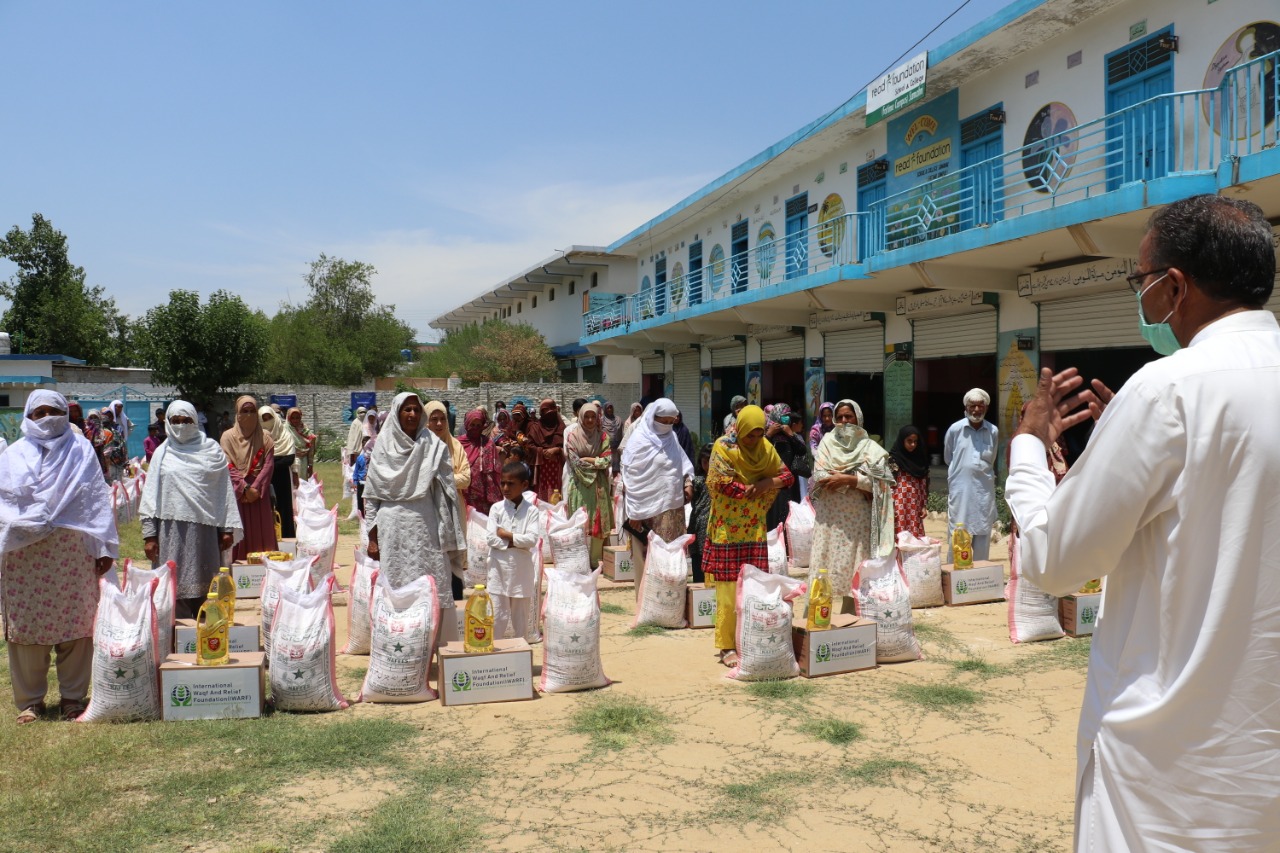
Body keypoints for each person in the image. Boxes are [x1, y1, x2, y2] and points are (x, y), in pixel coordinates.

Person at [1007, 195, 1280, 850]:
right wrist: (1116, 457)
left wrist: (1027, 446)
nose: (1140, 295)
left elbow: (1054, 559)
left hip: (1167, 783)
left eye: (1140, 281)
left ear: (1174, 287)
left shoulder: (1168, 389)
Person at [0, 390, 117, 723]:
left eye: (54, 411)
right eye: (39, 413)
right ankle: (30, 702)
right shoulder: (12, 455)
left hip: (71, 553)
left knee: (76, 625)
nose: (47, 418)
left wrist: (103, 547)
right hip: (24, 556)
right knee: (27, 630)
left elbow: (94, 501)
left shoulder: (80, 451)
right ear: (28, 416)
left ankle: (72, 699)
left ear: (66, 414)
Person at [704, 405, 793, 666]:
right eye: (749, 436)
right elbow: (720, 483)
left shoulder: (766, 448)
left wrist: (766, 483)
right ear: (740, 428)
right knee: (728, 590)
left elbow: (786, 476)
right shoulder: (724, 446)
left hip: (753, 527)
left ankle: (748, 638)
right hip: (727, 529)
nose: (754, 441)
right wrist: (751, 488)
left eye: (758, 434)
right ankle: (726, 645)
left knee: (752, 586)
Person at [364, 392, 465, 615]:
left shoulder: (433, 445)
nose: (412, 414)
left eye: (416, 410)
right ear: (396, 412)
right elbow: (371, 495)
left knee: (429, 580)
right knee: (397, 582)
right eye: (407, 409)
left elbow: (447, 488)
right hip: (393, 529)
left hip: (426, 526)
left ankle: (430, 634)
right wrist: (372, 538)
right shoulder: (383, 446)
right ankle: (399, 634)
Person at [140, 401, 241, 618]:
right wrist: (150, 535)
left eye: (186, 421)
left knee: (208, 584)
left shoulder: (212, 451)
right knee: (174, 584)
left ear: (195, 422)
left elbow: (223, 491)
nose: (181, 426)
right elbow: (150, 497)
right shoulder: (161, 454)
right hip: (170, 531)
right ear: (167, 423)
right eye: (175, 421)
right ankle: (176, 634)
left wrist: (226, 528)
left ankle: (209, 632)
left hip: (206, 531)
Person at [807, 400, 895, 612]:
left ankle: (851, 617)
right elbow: (819, 474)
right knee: (823, 565)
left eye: (849, 417)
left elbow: (882, 482)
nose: (844, 421)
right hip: (830, 518)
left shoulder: (870, 448)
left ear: (859, 419)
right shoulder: (827, 442)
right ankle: (817, 618)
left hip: (858, 520)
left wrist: (848, 480)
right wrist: (859, 481)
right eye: (840, 418)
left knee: (855, 568)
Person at [621, 398, 693, 598]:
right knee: (646, 559)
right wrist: (634, 512)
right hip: (644, 513)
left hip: (671, 509)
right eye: (664, 421)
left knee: (669, 558)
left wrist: (688, 483)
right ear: (653, 418)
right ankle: (647, 603)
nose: (668, 426)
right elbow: (631, 479)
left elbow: (683, 464)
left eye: (672, 422)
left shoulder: (673, 439)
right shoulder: (639, 441)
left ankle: (670, 603)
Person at [485, 461, 543, 643]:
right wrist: (516, 541)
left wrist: (506, 535)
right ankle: (494, 658)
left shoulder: (532, 511)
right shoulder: (496, 509)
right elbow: (491, 538)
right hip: (498, 570)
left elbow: (532, 539)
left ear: (524, 485)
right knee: (497, 616)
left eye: (511, 484)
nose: (505, 488)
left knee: (520, 619)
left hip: (520, 570)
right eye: (502, 483)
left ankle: (520, 658)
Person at [943, 388, 998, 561]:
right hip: (961, 490)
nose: (976, 410)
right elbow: (948, 457)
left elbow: (993, 458)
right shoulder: (955, 429)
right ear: (966, 407)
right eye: (972, 405)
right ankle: (955, 576)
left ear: (986, 408)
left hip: (983, 491)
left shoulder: (993, 431)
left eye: (980, 406)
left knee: (982, 533)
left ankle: (980, 576)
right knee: (959, 531)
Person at [221, 395, 276, 561]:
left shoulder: (265, 437)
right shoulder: (228, 437)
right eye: (245, 411)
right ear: (237, 414)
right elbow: (227, 465)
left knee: (262, 531)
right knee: (240, 531)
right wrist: (245, 488)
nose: (249, 415)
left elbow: (268, 465)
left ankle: (264, 573)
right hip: (238, 493)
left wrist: (255, 488)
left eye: (252, 411)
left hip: (259, 493)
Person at [425, 399, 472, 599]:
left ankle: (456, 605)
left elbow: (466, 478)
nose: (438, 424)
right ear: (425, 422)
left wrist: (440, 478)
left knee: (453, 558)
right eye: (433, 419)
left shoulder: (455, 446)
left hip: (453, 510)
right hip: (428, 510)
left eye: (442, 419)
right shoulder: (420, 446)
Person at [564, 401, 613, 567]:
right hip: (579, 485)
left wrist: (588, 459)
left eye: (593, 416)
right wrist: (596, 463)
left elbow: (607, 460)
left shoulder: (603, 437)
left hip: (598, 487)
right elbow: (574, 461)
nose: (590, 420)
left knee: (598, 522)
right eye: (587, 416)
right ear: (580, 417)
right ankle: (579, 559)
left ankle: (594, 560)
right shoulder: (573, 436)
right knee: (580, 522)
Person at [764, 403, 811, 531]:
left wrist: (790, 434)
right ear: (775, 416)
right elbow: (760, 452)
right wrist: (769, 434)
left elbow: (802, 451)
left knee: (789, 515)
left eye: (787, 417)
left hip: (790, 482)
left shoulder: (790, 434)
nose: (785, 419)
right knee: (773, 516)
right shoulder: (767, 433)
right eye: (783, 416)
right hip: (771, 482)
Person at [259, 406, 296, 539]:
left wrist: (268, 464)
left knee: (284, 506)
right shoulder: (257, 437)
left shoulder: (285, 435)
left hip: (282, 477)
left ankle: (286, 535)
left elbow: (289, 459)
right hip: (263, 478)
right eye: (264, 419)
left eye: (269, 418)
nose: (267, 421)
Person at [888, 425, 930, 540]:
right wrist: (890, 505)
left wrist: (923, 505)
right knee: (899, 534)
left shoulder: (920, 461)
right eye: (909, 441)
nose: (913, 445)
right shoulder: (893, 459)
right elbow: (888, 484)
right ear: (902, 440)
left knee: (914, 535)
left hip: (915, 504)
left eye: (915, 442)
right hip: (898, 503)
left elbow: (924, 484)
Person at [459, 408, 502, 516]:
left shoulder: (488, 444)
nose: (475, 428)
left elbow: (495, 471)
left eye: (479, 425)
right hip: (462, 492)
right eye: (472, 425)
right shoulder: (457, 443)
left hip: (483, 494)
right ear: (467, 424)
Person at [526, 398, 565, 503]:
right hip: (541, 468)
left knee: (558, 495)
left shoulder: (561, 427)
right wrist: (542, 452)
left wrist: (556, 449)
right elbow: (529, 445)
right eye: (545, 411)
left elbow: (568, 446)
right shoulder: (535, 428)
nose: (549, 414)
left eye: (551, 411)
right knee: (542, 497)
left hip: (558, 467)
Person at [687, 443, 713, 584]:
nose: (708, 466)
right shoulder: (697, 481)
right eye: (705, 462)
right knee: (697, 558)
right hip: (698, 524)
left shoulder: (723, 482)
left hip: (713, 525)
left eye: (711, 462)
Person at [286, 407, 317, 483]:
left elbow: (311, 446)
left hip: (304, 461)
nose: (295, 420)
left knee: (303, 485)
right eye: (293, 418)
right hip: (291, 461)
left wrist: (310, 465)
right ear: (289, 418)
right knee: (292, 485)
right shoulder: (285, 430)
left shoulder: (304, 429)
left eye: (297, 418)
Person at [99, 407, 128, 482]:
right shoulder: (96, 433)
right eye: (104, 415)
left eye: (109, 415)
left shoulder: (116, 432)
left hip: (117, 463)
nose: (107, 417)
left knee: (116, 485)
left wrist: (125, 462)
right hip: (103, 465)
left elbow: (123, 446)